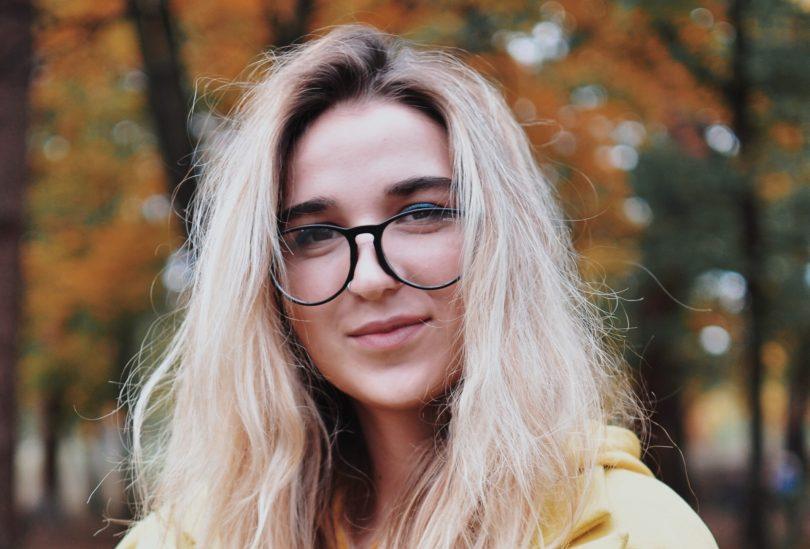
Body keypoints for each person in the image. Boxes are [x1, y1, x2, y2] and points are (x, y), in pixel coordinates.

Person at [115, 24, 718, 548]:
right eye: (314, 234)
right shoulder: (182, 539)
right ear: (263, 283)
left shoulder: (634, 534)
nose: (371, 278)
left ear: (502, 241)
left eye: (421, 213)